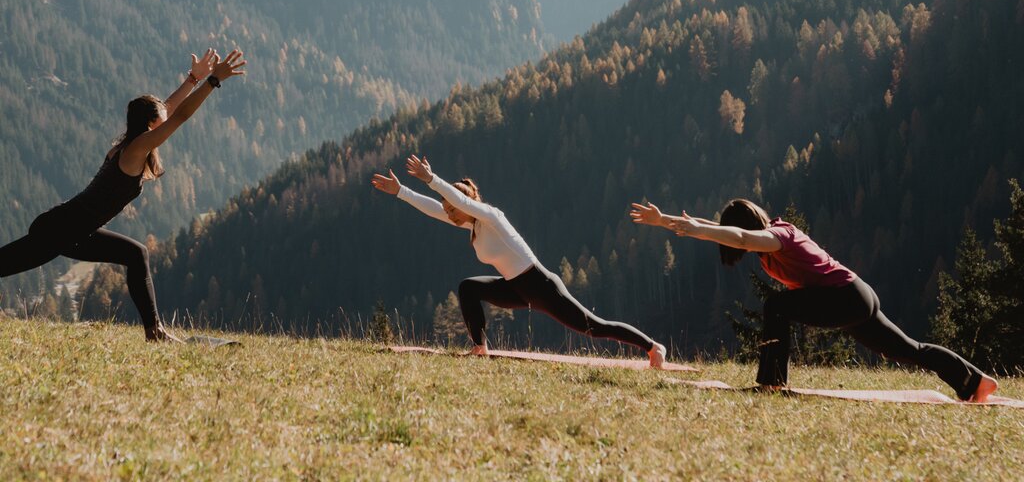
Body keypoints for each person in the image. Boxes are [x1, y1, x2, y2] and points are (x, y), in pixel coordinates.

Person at [630, 196, 998, 401]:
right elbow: (723, 230)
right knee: (908, 350)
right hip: (855, 295)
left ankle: (772, 382)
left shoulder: (778, 237)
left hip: (847, 298)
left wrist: (697, 230)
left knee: (777, 306)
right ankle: (974, 382)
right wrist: (666, 221)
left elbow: (740, 238)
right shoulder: (770, 240)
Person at [0, 48, 246, 341]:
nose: (164, 118)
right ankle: (155, 331)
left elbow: (168, 108)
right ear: (152, 123)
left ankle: (155, 332)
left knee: (135, 253)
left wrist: (193, 78)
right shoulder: (135, 150)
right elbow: (178, 116)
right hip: (59, 229)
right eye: (160, 118)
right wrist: (212, 82)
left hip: (74, 230)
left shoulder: (133, 143)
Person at [372, 154, 667, 366]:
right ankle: (479, 348)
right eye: (448, 209)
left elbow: (460, 202)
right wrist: (401, 191)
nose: (448, 213)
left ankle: (653, 347)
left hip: (541, 286)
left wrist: (432, 179)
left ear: (466, 204)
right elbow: (436, 209)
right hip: (515, 288)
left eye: (452, 208)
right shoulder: (471, 224)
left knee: (593, 326)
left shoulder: (491, 216)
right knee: (468, 288)